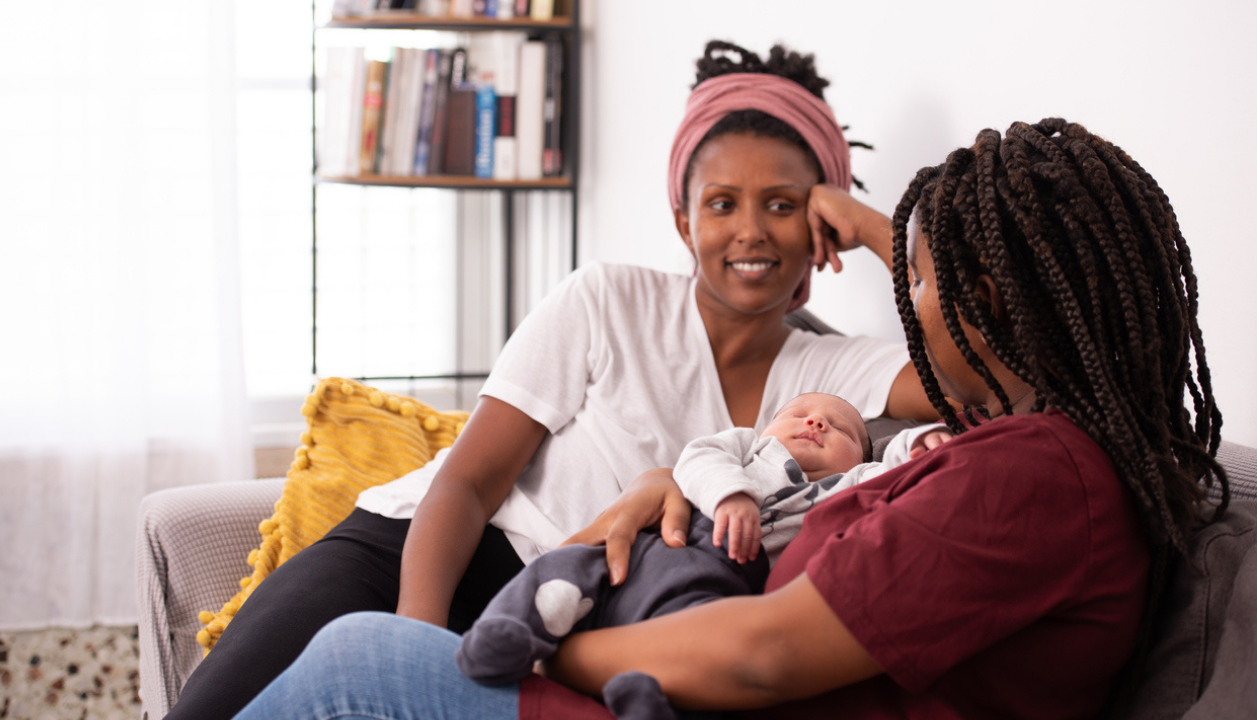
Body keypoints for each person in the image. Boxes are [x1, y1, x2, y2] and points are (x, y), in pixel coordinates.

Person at [226, 116, 1230, 720]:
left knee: (364, 664)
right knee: (354, 648)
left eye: (921, 277)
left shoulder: (1033, 472)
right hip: (588, 605)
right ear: (682, 221)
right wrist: (670, 488)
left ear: (990, 298)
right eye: (720, 205)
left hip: (664, 675)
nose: (910, 300)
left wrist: (536, 642)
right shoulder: (999, 451)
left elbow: (759, 652)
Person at [163, 40, 936, 720]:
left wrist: (872, 227)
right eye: (721, 204)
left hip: (557, 619)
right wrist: (413, 641)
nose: (749, 230)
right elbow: (467, 483)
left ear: (821, 225)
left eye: (784, 204)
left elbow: (980, 378)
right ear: (682, 222)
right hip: (415, 558)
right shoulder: (607, 299)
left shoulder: (833, 370)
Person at [455, 392, 948, 720]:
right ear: (765, 428)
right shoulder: (748, 450)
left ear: (860, 459)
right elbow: (697, 459)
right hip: (666, 543)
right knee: (566, 566)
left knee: (686, 641)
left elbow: (894, 468)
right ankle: (510, 630)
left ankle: (642, 698)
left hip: (716, 581)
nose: (816, 421)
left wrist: (920, 441)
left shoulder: (848, 487)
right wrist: (732, 495)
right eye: (798, 413)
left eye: (840, 428)